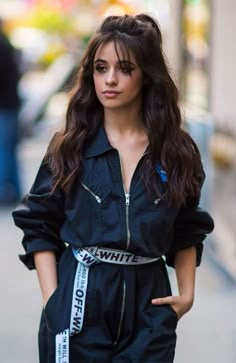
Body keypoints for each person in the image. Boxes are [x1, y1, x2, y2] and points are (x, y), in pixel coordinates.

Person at [12, 14, 214, 363]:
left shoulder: (175, 151)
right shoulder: (70, 147)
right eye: (101, 67)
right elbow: (39, 225)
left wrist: (187, 295)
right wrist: (53, 302)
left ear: (146, 76)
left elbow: (187, 227)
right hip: (80, 300)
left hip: (149, 303)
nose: (110, 79)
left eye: (124, 68)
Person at [0, 18, 21, 205]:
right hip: (11, 105)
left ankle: (3, 191)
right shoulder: (6, 43)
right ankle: (15, 189)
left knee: (4, 150)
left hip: (5, 107)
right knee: (10, 150)